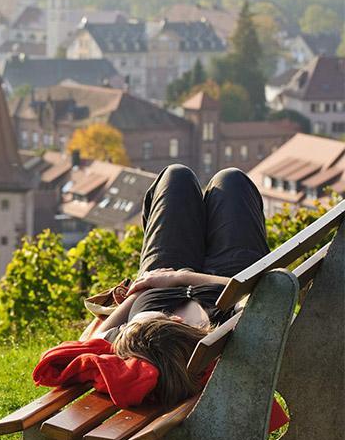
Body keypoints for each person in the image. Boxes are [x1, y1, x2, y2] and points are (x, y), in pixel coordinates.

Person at [91, 164, 270, 406]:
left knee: (177, 176)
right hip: (232, 272)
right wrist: (182, 278)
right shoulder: (221, 328)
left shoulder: (139, 339)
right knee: (231, 181)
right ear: (176, 323)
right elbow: (258, 291)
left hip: (162, 270)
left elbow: (89, 341)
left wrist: (138, 292)